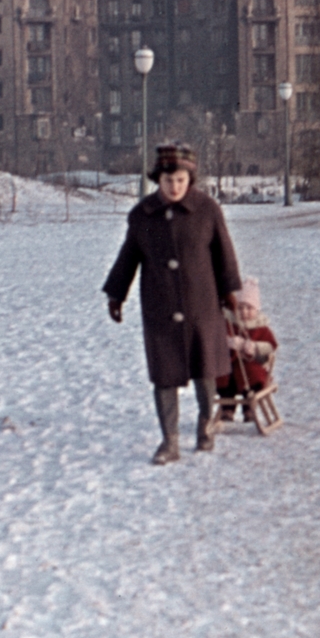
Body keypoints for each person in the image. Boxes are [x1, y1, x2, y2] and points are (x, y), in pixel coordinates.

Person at [103, 144, 242, 464]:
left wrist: (229, 290)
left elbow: (224, 253)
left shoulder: (207, 210)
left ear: (189, 179)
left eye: (180, 180)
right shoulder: (142, 215)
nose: (174, 186)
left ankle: (206, 427)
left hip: (201, 306)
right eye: (168, 181)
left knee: (206, 371)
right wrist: (116, 293)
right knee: (164, 375)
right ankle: (170, 441)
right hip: (160, 309)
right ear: (157, 181)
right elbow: (128, 257)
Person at [217, 278, 278, 422]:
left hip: (253, 366)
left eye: (248, 308)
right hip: (231, 365)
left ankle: (249, 408)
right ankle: (227, 409)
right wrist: (229, 342)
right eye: (240, 308)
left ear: (256, 309)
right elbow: (218, 339)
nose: (244, 312)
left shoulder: (261, 327)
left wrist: (255, 347)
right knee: (223, 376)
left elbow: (271, 345)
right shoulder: (230, 324)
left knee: (252, 375)